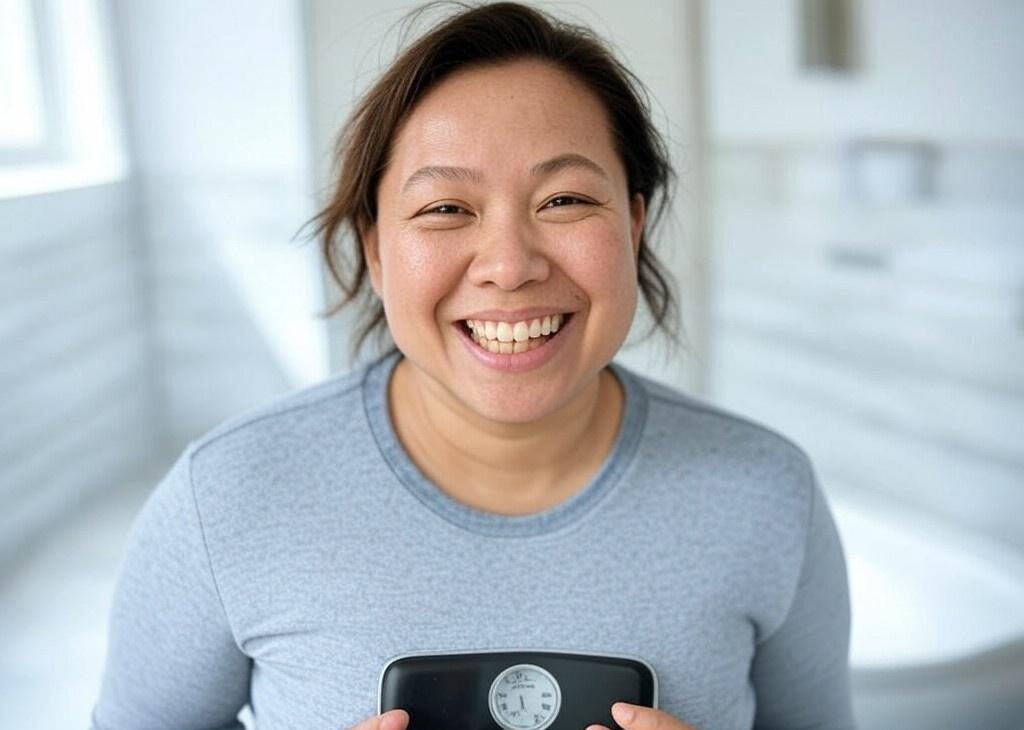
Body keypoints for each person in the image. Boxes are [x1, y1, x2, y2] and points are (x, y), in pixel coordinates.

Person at [91, 3, 856, 729]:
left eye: (562, 201)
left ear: (632, 222)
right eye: (446, 209)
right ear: (377, 250)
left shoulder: (767, 494)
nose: (509, 265)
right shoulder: (226, 498)